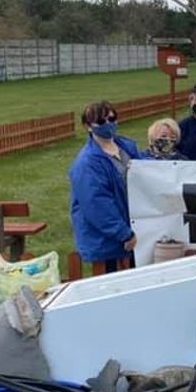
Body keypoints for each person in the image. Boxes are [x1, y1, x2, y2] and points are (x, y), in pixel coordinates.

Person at [69, 101, 143, 274]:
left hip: (134, 232)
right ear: (88, 126)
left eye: (112, 118)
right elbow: (97, 204)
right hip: (110, 242)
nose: (108, 124)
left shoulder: (127, 147)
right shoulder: (87, 163)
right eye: (101, 122)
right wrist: (123, 233)